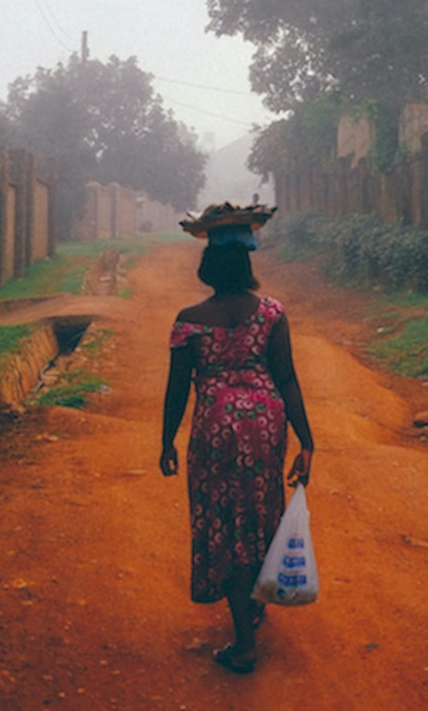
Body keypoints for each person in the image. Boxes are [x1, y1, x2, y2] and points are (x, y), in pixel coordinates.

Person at [160, 203, 314, 676]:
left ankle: (245, 644)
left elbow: (177, 389)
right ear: (247, 263)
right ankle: (255, 603)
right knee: (258, 515)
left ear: (208, 266)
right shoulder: (272, 313)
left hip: (215, 431)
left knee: (225, 526)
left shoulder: (189, 320)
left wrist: (166, 441)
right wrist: (307, 442)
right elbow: (287, 379)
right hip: (265, 428)